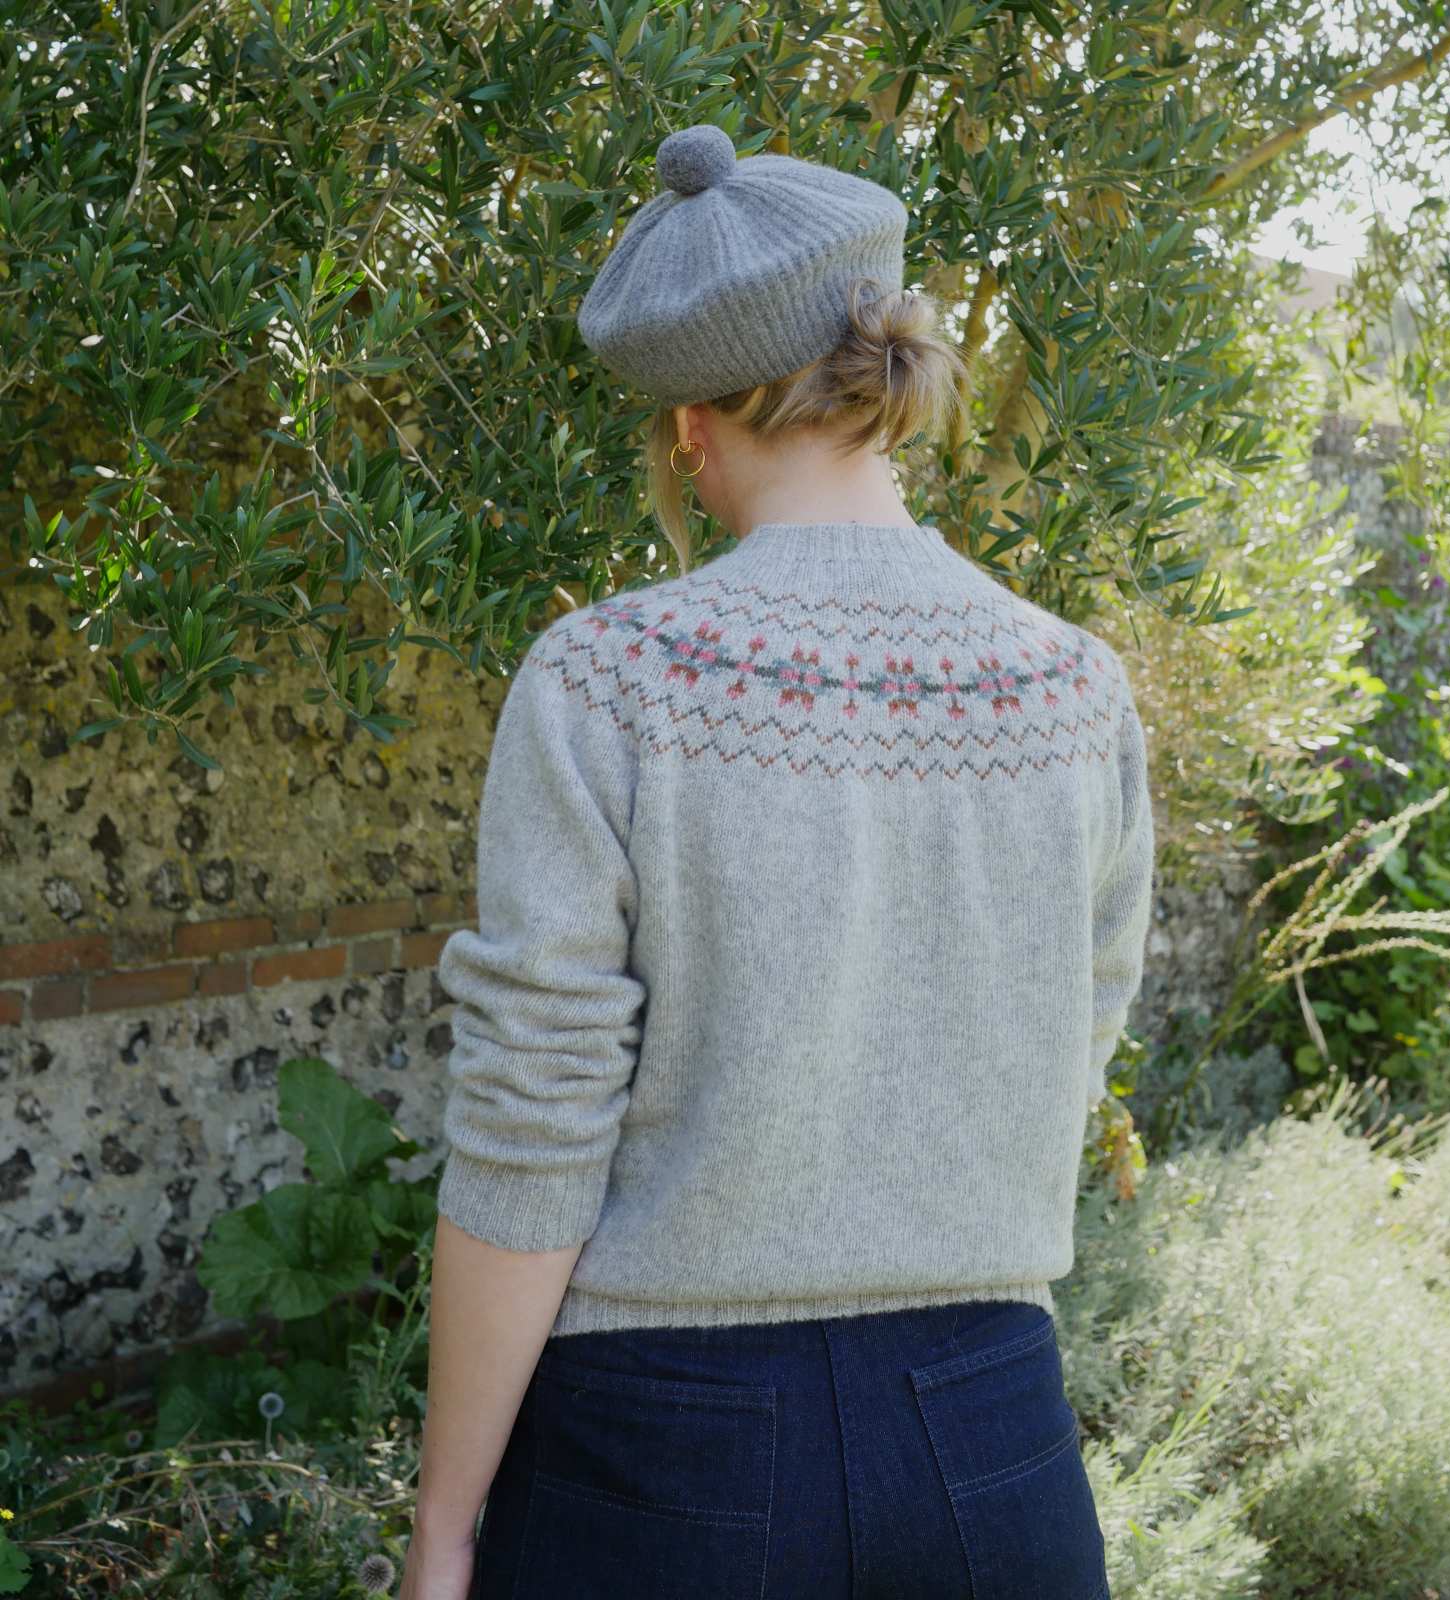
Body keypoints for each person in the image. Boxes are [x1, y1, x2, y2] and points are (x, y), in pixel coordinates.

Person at [398, 122, 1154, 1600]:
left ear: (687, 423)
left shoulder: (610, 678)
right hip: (998, 1447)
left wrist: (442, 1525)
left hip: (666, 1464)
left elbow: (533, 1127)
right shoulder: (1074, 687)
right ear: (885, 385)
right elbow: (1076, 1049)